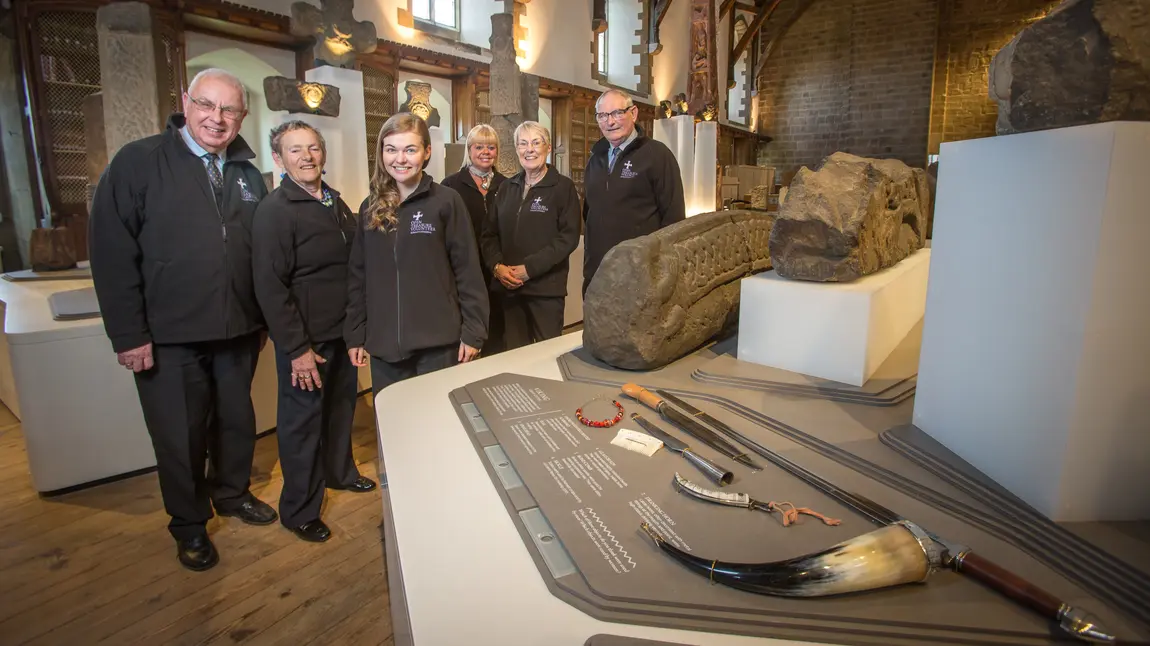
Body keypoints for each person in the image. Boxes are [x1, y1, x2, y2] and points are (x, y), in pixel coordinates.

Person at [89, 68, 277, 572]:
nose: (217, 119)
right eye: (207, 106)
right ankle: (190, 525)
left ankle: (232, 494)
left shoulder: (247, 173)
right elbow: (110, 252)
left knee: (237, 423)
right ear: (185, 103)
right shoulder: (138, 162)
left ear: (242, 117)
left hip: (236, 331)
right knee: (180, 434)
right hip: (168, 336)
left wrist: (258, 321)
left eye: (230, 110)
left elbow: (256, 252)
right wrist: (129, 334)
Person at [252, 121, 377, 545]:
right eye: (295, 150)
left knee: (341, 409)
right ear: (278, 158)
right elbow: (270, 286)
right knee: (301, 424)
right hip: (306, 342)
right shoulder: (275, 210)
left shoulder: (334, 201)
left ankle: (339, 473)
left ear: (322, 153)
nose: (306, 157)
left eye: (312, 148)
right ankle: (300, 509)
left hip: (340, 332)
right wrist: (297, 349)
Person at [345, 113, 488, 398]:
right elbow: (359, 275)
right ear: (381, 153)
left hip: (438, 347)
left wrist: (474, 331)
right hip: (385, 348)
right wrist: (356, 332)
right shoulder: (370, 208)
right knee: (394, 432)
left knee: (437, 427)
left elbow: (467, 270)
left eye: (410, 149)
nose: (400, 159)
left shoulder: (446, 202)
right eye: (391, 149)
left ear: (426, 152)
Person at [480, 121, 580, 350]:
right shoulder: (506, 188)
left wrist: (529, 269)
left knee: (548, 354)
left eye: (536, 143)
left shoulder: (562, 188)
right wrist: (497, 266)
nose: (529, 149)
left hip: (545, 290)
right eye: (523, 143)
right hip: (509, 289)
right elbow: (489, 234)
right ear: (516, 149)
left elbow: (568, 238)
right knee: (515, 356)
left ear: (547, 147)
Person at [582, 88, 686, 295]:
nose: (610, 122)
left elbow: (673, 219)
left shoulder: (657, 155)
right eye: (602, 116)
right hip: (599, 271)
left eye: (617, 113)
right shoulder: (596, 158)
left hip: (640, 272)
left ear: (634, 113)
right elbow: (589, 213)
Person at [441, 124, 508, 353]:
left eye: (491, 147)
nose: (485, 152)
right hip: (463, 273)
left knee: (497, 340)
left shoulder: (508, 185)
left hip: (497, 274)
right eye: (479, 146)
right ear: (469, 150)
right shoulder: (450, 186)